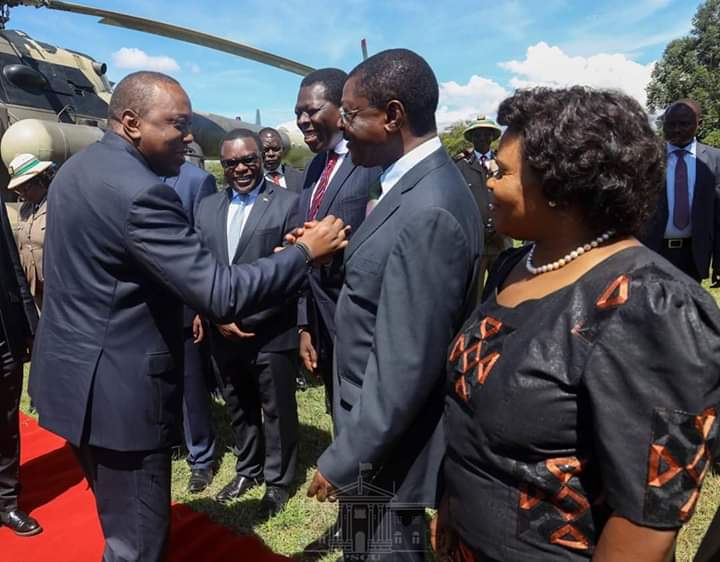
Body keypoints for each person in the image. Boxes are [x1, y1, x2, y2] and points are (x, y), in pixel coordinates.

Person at [28, 71, 349, 562]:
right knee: (136, 546)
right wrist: (304, 253)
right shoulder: (141, 192)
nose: (190, 136)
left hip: (73, 385)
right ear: (132, 122)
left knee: (117, 522)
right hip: (120, 401)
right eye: (177, 124)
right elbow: (219, 291)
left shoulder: (77, 169)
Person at [434, 87, 720, 562]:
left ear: (560, 185)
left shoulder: (648, 304)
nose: (488, 182)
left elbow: (646, 518)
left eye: (503, 172)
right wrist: (453, 503)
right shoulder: (515, 266)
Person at [307, 49, 482, 562]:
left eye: (351, 113)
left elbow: (406, 364)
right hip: (371, 434)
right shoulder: (406, 187)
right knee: (362, 551)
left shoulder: (429, 209)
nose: (341, 125)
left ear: (393, 115)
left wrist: (346, 458)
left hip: (385, 449)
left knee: (381, 552)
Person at [195, 128, 300, 516]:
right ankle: (248, 469)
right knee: (238, 403)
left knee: (276, 409)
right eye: (231, 163)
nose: (240, 168)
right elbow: (199, 268)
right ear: (221, 166)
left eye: (248, 160)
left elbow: (293, 271)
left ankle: (278, 482)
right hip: (222, 329)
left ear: (261, 158)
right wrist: (217, 315)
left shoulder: (289, 203)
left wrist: (248, 316)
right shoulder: (206, 207)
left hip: (271, 329)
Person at [293, 67, 380, 415]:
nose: (301, 120)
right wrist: (305, 325)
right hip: (322, 320)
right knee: (339, 411)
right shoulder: (315, 168)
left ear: (341, 108)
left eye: (310, 110)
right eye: (297, 112)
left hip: (363, 327)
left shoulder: (372, 161)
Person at [163, 159, 218, 493]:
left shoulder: (197, 181)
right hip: (147, 303)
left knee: (190, 385)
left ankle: (201, 457)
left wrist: (200, 304)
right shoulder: (136, 174)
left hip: (184, 301)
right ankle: (172, 437)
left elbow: (203, 245)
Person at [640, 99, 720, 283]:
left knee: (687, 311)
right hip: (652, 251)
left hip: (693, 255)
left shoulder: (715, 160)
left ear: (699, 124)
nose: (676, 129)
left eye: (684, 124)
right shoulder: (647, 157)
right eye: (671, 124)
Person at [0, 189, 41, 536]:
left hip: (3, 334)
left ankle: (7, 502)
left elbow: (12, 262)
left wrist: (29, 323)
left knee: (6, 422)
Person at [456, 116, 513, 288]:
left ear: (492, 137)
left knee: (504, 288)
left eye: (486, 134)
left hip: (501, 237)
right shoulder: (461, 165)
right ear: (471, 138)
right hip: (475, 240)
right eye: (477, 134)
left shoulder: (504, 164)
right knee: (474, 291)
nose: (481, 138)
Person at [7, 153, 54, 310]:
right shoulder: (25, 209)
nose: (23, 195)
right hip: (35, 289)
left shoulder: (56, 204)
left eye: (25, 189)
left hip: (55, 287)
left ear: (40, 180)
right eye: (19, 191)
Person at [259, 127, 303, 192]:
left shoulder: (299, 178)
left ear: (282, 149)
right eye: (265, 150)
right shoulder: (251, 180)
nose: (271, 154)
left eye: (276, 149)